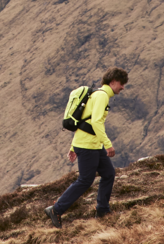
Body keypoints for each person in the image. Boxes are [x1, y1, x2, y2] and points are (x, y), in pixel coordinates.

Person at [47, 68, 128, 227]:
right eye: (121, 83)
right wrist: (108, 145)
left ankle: (103, 210)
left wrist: (72, 146)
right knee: (85, 180)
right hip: (88, 146)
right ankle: (56, 209)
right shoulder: (102, 96)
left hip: (92, 145)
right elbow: (96, 122)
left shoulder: (99, 95)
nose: (123, 87)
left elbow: (85, 120)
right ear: (112, 82)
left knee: (108, 173)